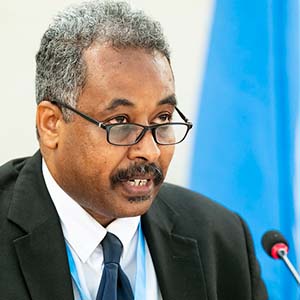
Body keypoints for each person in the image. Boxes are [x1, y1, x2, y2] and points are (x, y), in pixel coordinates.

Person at [0, 1, 268, 299]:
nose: (150, 151)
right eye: (120, 122)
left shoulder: (220, 238)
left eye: (162, 118)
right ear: (52, 124)